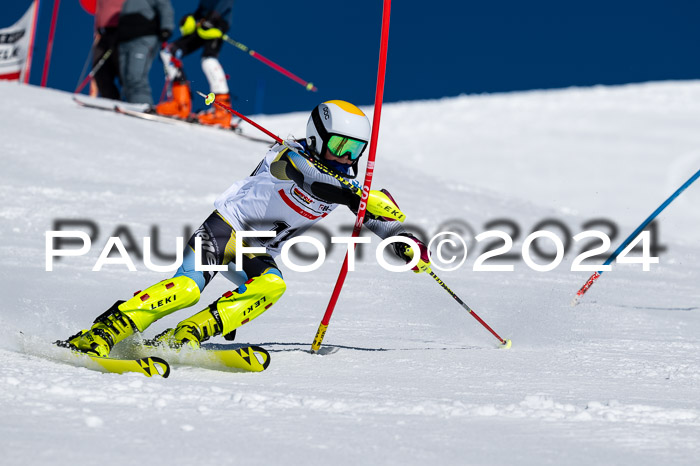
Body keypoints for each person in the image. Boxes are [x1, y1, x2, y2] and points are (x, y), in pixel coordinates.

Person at [60, 101, 431, 357]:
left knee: (272, 285)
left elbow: (377, 218)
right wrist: (355, 196)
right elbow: (315, 182)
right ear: (317, 136)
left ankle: (184, 336)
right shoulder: (291, 154)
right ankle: (105, 330)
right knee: (187, 289)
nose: (345, 156)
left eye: (355, 150)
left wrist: (403, 240)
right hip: (222, 231)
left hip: (254, 250)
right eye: (339, 145)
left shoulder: (347, 182)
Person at [155, 0, 235, 127]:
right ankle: (180, 104)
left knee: (208, 60)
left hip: (217, 24)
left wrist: (215, 16)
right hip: (203, 23)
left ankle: (222, 111)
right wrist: (193, 17)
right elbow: (204, 6)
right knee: (168, 52)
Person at [117, 0, 175, 105]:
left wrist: (166, 28)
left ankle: (142, 106)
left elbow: (164, 6)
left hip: (143, 36)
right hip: (124, 39)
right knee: (125, 79)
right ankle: (130, 107)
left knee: (135, 77)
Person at [92, 0, 127, 100]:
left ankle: (133, 106)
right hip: (103, 33)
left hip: (122, 30)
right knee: (99, 71)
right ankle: (110, 102)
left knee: (124, 72)